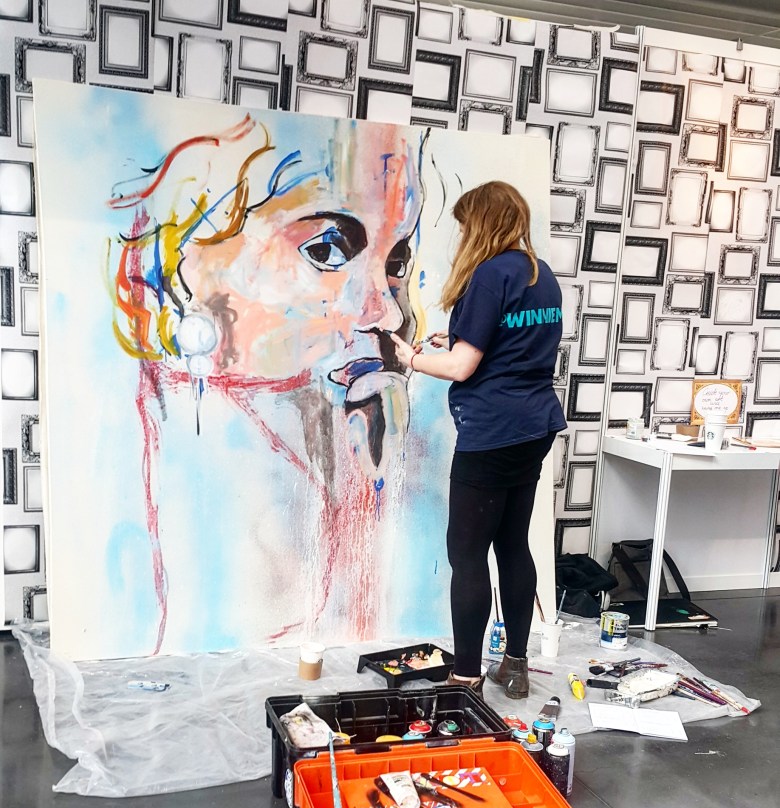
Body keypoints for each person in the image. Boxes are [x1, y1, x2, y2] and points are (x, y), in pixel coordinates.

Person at [109, 114, 427, 652]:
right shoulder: (182, 444)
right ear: (188, 262)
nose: (387, 313)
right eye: (326, 250)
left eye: (395, 261)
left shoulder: (367, 416)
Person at [391, 181, 566, 699]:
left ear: (482, 224)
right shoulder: (541, 275)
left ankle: (465, 677)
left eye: (467, 225)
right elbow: (512, 342)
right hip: (534, 427)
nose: (463, 234)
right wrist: (456, 338)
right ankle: (515, 665)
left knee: (466, 554)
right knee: (513, 545)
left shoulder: (489, 275)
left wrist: (412, 358)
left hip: (492, 432)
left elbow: (463, 368)